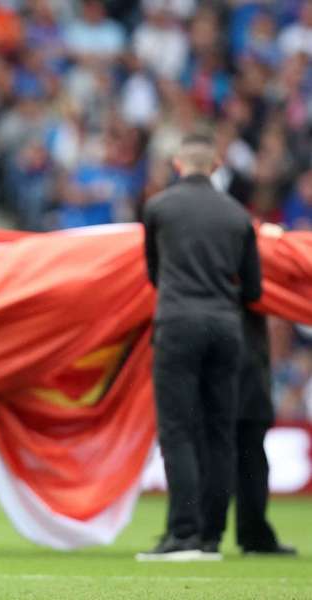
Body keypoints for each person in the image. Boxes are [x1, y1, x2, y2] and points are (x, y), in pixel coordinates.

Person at [137, 133, 262, 561]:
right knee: (219, 432)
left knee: (178, 429)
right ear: (215, 166)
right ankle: (211, 535)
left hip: (177, 323)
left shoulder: (159, 208)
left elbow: (153, 272)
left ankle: (184, 533)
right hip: (226, 327)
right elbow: (254, 286)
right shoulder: (238, 215)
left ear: (177, 165)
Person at [231, 308, 297, 556]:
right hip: (249, 370)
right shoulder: (261, 281)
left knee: (216, 454)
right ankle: (254, 535)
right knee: (252, 459)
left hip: (221, 371)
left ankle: (201, 535)